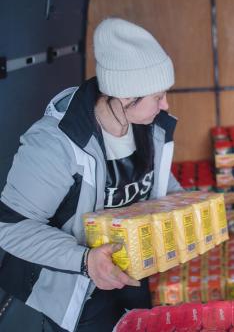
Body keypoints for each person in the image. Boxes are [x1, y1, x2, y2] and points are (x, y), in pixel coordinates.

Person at [0, 18, 183, 331]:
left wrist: (189, 209)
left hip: (134, 272)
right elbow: (11, 228)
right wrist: (84, 260)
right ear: (126, 96)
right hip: (76, 289)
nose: (165, 104)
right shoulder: (55, 144)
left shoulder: (148, 127)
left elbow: (159, 188)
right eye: (158, 96)